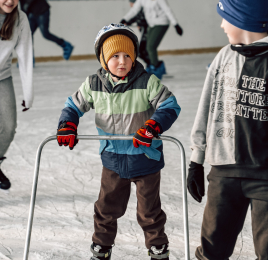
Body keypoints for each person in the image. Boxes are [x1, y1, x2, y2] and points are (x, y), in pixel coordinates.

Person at [56, 23, 181, 260]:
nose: (122, 61)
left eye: (127, 55)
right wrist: (68, 124)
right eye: (115, 56)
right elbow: (72, 105)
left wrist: (153, 126)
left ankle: (157, 247)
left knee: (149, 211)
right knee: (106, 209)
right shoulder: (93, 84)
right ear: (103, 59)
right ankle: (101, 246)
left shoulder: (147, 81)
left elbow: (169, 105)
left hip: (145, 158)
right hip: (112, 159)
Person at [187, 0, 268, 259]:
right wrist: (196, 161)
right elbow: (206, 107)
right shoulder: (224, 56)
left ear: (242, 19)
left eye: (225, 18)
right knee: (211, 249)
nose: (221, 25)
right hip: (224, 172)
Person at [0, 0, 33, 191]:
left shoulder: (20, 19)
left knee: (8, 126)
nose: (10, 1)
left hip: (0, 77)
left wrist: (28, 92)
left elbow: (25, 56)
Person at [120, 0, 183, 79]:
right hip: (151, 24)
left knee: (151, 47)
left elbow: (167, 10)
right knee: (146, 47)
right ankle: (157, 66)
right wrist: (125, 19)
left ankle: (156, 70)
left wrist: (175, 24)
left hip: (162, 23)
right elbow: (134, 10)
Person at [126, 0, 151, 68]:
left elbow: (139, 18)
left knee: (141, 51)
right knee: (143, 51)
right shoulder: (139, 11)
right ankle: (151, 65)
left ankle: (153, 65)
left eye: (131, 3)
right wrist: (127, 22)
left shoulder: (141, 10)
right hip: (145, 32)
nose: (130, 5)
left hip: (147, 32)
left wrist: (127, 22)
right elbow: (135, 18)